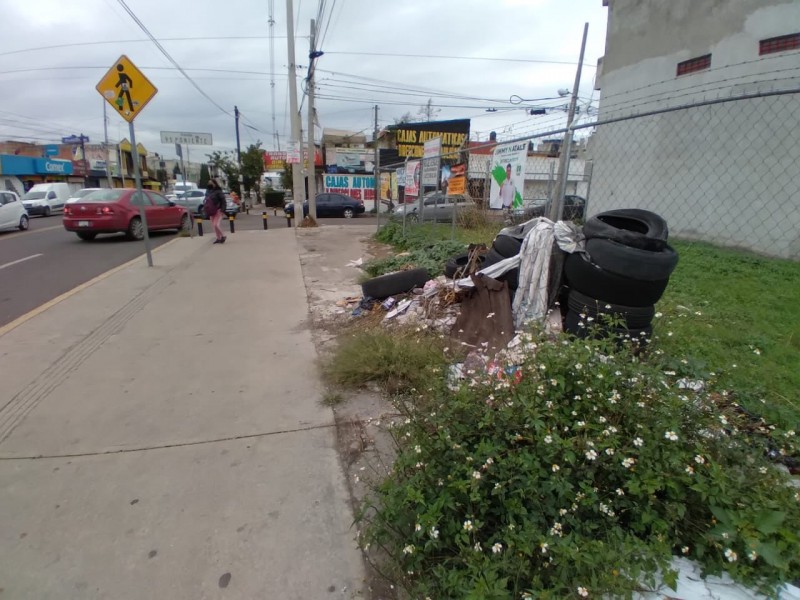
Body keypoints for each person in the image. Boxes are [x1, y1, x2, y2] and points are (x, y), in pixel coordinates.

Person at [205, 178, 227, 244]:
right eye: (208, 183)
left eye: (210, 183)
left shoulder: (218, 191)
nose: (209, 184)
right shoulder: (208, 192)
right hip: (211, 211)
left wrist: (223, 210)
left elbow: (223, 201)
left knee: (216, 225)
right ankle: (218, 238)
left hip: (218, 210)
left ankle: (223, 236)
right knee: (214, 226)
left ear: (214, 184)